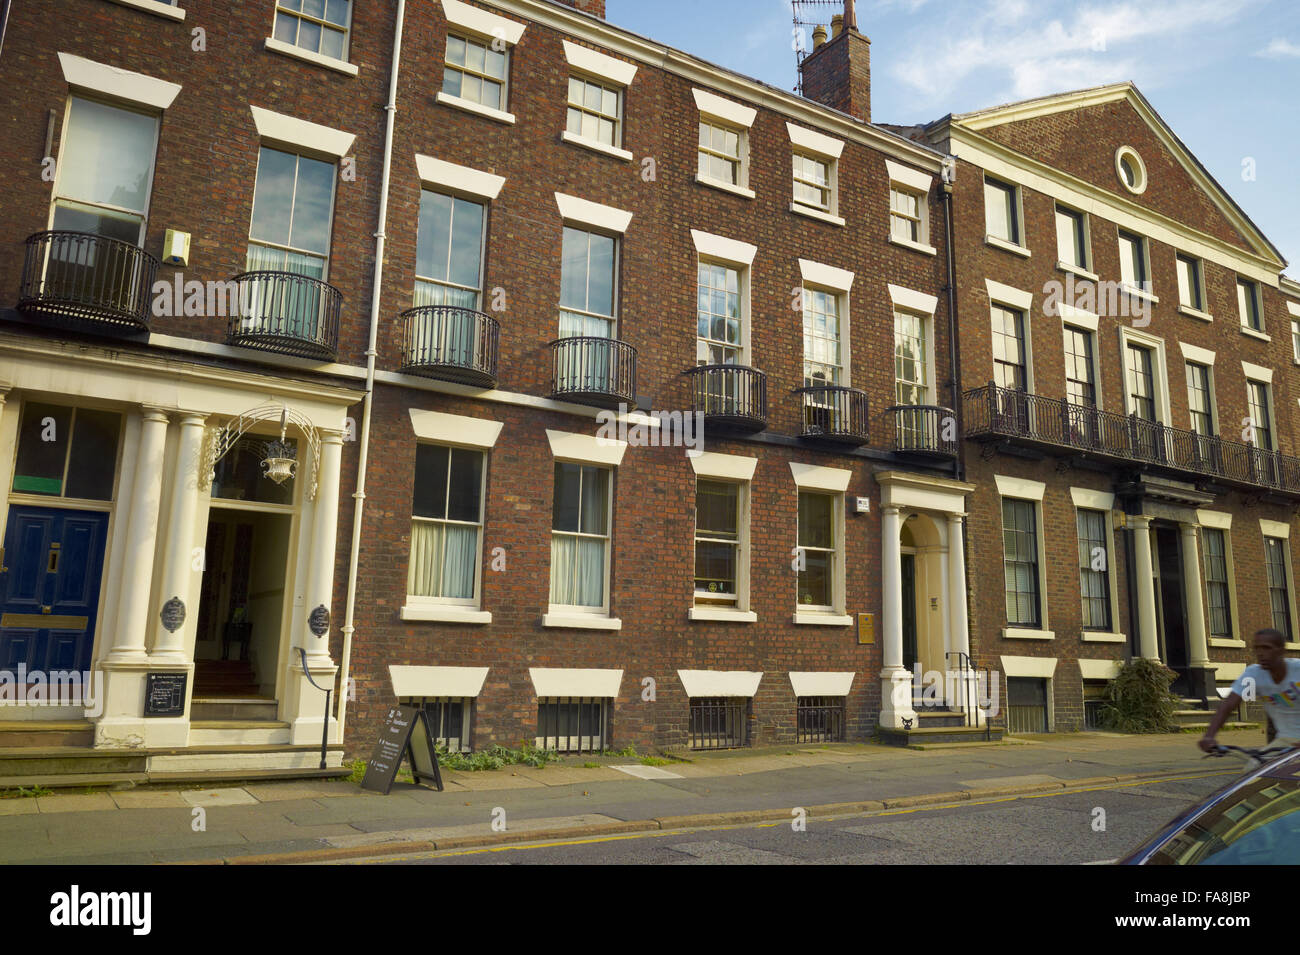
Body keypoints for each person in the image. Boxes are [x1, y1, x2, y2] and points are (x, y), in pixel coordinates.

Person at [1199, 628, 1300, 753]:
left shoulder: (1297, 670)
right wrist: (1209, 736)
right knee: (1255, 764)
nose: (1260, 653)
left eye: (1266, 648)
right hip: (1285, 741)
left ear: (1281, 650)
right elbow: (1229, 704)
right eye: (1257, 648)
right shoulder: (1254, 674)